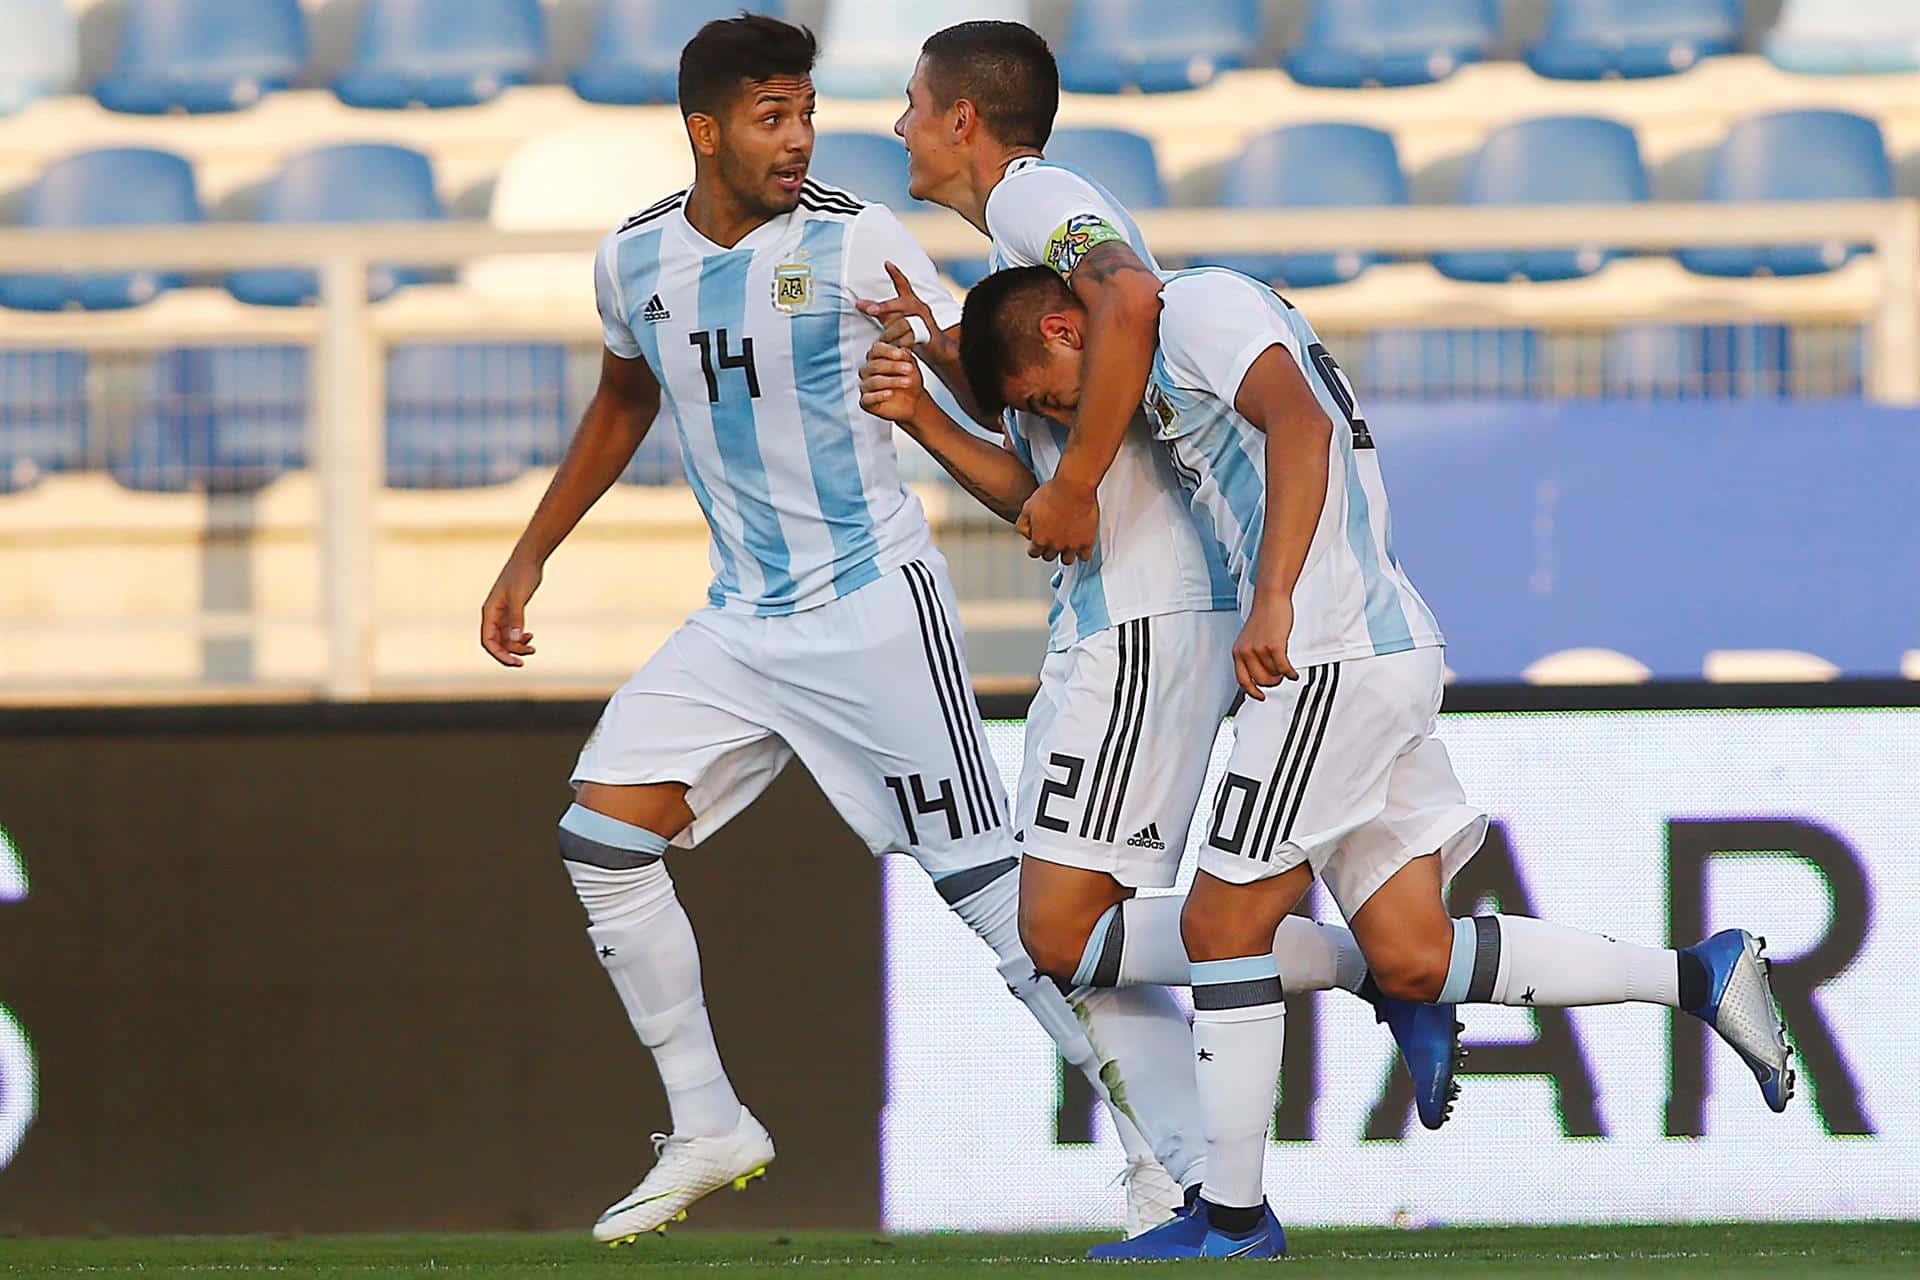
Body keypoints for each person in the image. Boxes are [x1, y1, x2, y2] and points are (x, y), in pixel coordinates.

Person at [478, 14, 1192, 1245]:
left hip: (871, 606)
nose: (799, 136)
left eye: (807, 111)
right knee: (600, 837)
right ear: (705, 129)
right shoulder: (635, 260)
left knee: (1001, 901)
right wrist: (531, 552)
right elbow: (623, 399)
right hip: (740, 621)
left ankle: (1172, 1160)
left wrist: (969, 402)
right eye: (772, 116)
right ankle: (709, 1120)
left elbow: (975, 365)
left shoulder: (858, 236)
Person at [943, 261, 1798, 1259]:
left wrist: (1272, 602)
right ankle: (1699, 975)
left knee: (1221, 923)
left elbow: (1302, 427)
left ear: (1065, 324)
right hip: (1373, 649)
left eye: (1048, 392)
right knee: (1416, 955)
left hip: (1327, 657)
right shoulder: (1201, 322)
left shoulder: (1198, 311)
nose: (1058, 413)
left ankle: (1231, 1217)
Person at [860, 22, 1465, 1251]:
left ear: (966, 119)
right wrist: (938, 393)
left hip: (1141, 612)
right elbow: (1051, 470)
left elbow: (1124, 317)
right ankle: (1230, 1148)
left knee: (1066, 931)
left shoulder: (1038, 197)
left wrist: (1077, 480)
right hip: (1127, 605)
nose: (900, 125)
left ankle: (1248, 1132)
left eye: (914, 104)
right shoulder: (1025, 258)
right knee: (1076, 935)